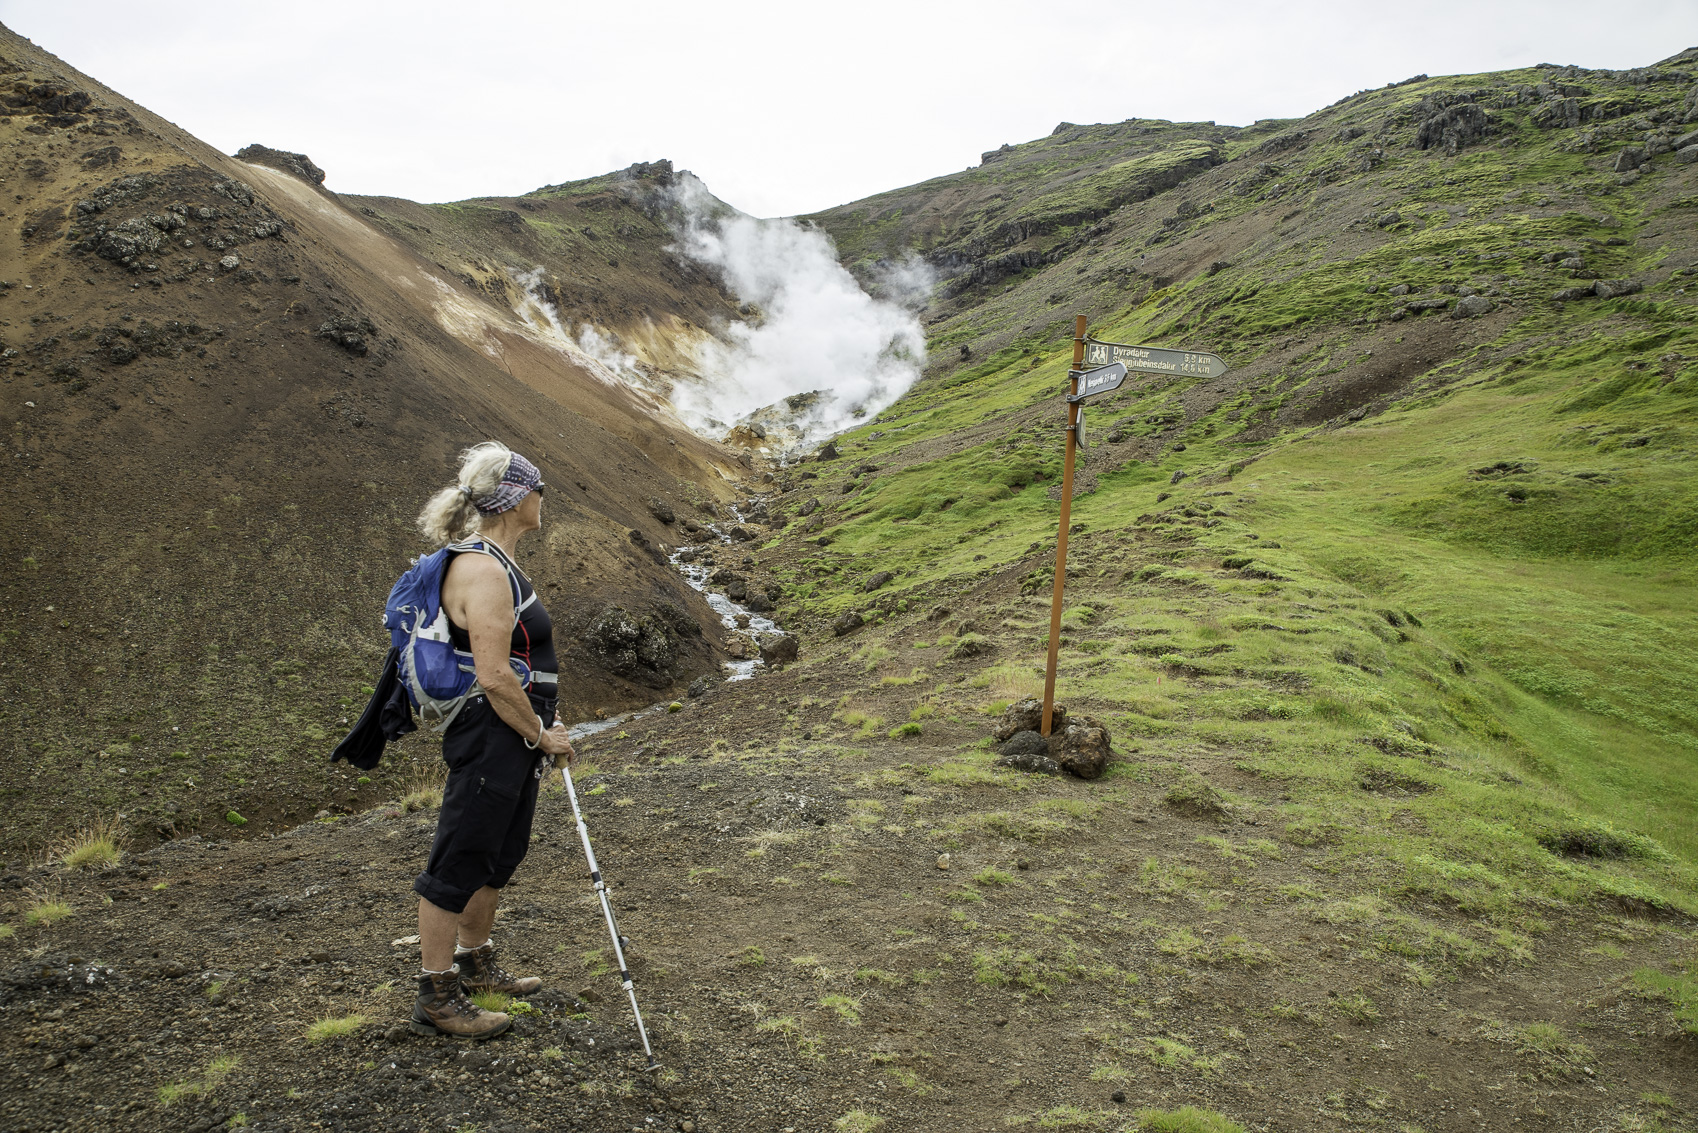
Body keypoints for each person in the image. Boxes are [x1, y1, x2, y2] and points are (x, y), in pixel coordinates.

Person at [407, 441, 576, 1039]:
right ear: (514, 498)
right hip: (493, 733)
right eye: (537, 487)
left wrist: (538, 729)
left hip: (514, 732)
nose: (542, 497)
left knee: (497, 852)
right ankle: (437, 994)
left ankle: (477, 965)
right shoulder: (482, 569)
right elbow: (494, 672)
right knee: (459, 857)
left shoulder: (497, 562)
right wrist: (540, 732)